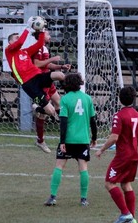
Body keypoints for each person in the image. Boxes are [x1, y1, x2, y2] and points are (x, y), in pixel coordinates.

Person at [44, 73, 97, 207]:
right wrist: (94, 137)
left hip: (68, 140)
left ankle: (52, 197)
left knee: (59, 166)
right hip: (83, 139)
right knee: (83, 168)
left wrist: (62, 141)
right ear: (79, 83)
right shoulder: (87, 99)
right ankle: (84, 199)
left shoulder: (65, 100)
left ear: (67, 84)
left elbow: (63, 122)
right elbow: (93, 121)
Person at [95, 86, 138, 223]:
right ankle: (132, 219)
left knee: (109, 183)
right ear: (133, 99)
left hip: (123, 156)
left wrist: (102, 149)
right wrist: (133, 147)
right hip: (134, 154)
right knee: (126, 184)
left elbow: (114, 137)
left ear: (120, 99)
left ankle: (125, 213)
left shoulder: (119, 115)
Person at [4, 17, 65, 120]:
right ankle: (37, 109)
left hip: (38, 76)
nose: (19, 39)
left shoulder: (25, 52)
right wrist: (28, 28)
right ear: (10, 42)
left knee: (60, 75)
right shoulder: (9, 51)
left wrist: (41, 31)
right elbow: (19, 43)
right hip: (29, 84)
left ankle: (72, 92)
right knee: (51, 111)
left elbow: (40, 44)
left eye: (19, 37)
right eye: (16, 38)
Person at [31, 29, 71, 153]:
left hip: (48, 80)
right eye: (48, 34)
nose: (50, 36)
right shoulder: (37, 48)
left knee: (59, 102)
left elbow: (46, 65)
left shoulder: (43, 48)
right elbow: (37, 64)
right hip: (41, 81)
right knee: (45, 112)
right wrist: (52, 59)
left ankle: (67, 133)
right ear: (41, 36)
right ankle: (40, 140)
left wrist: (60, 66)